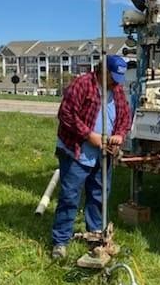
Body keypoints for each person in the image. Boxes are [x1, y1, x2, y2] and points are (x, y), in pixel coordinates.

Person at [51, 55, 131, 259]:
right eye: (113, 77)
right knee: (70, 197)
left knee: (99, 195)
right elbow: (66, 114)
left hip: (102, 154)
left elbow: (124, 118)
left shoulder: (118, 91)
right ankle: (60, 241)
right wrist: (89, 135)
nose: (115, 83)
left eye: (118, 79)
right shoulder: (83, 84)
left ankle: (96, 235)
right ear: (102, 71)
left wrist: (119, 135)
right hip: (76, 151)